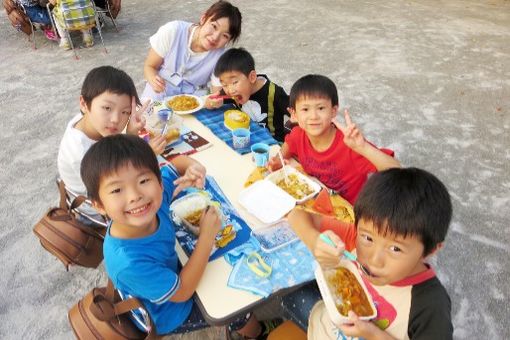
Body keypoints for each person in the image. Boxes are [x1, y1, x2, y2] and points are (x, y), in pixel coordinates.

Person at [80, 134, 280, 338]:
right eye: (116, 190)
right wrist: (206, 236)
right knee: (235, 309)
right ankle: (258, 333)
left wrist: (194, 167)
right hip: (168, 313)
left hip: (169, 277)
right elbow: (183, 291)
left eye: (143, 180)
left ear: (157, 180)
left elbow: (177, 165)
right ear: (98, 205)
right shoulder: (128, 262)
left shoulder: (153, 203)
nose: (135, 196)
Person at [287, 167, 454, 339]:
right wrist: (314, 240)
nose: (374, 260)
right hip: (324, 326)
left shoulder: (430, 305)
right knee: (291, 297)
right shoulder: (356, 237)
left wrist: (374, 335)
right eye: (367, 238)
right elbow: (295, 214)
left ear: (431, 250)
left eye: (395, 249)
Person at [268, 74, 400, 204]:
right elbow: (289, 145)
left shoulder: (350, 145)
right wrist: (278, 160)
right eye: (305, 109)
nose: (313, 116)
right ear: (294, 115)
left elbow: (396, 170)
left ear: (333, 111)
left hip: (347, 212)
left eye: (320, 108)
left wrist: (363, 147)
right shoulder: (298, 134)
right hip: (313, 200)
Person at [57, 65, 165, 224]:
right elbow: (121, 176)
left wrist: (130, 133)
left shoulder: (87, 120)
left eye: (125, 112)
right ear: (84, 103)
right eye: (107, 108)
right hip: (98, 213)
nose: (116, 119)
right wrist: (147, 153)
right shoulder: (81, 151)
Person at [141, 0, 242, 101]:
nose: (215, 37)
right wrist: (153, 79)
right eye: (214, 26)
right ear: (203, 18)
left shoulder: (221, 57)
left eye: (225, 35)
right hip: (159, 93)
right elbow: (149, 66)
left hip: (194, 102)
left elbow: (217, 93)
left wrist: (216, 101)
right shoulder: (172, 31)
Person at [211, 47, 291, 142]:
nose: (230, 90)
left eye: (234, 82)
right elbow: (215, 99)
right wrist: (212, 102)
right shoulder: (233, 91)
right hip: (245, 138)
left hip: (272, 143)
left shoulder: (274, 93)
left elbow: (297, 113)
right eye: (224, 84)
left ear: (252, 77)